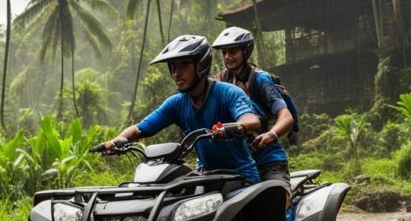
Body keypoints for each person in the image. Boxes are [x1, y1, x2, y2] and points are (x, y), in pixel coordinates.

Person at [102, 35, 263, 184]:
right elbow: (139, 129)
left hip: (242, 179)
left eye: (184, 65)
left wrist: (234, 127)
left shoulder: (228, 93)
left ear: (201, 65)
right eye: (172, 67)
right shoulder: (176, 103)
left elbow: (251, 120)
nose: (177, 73)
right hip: (207, 179)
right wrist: (117, 141)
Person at [211, 26, 293, 187]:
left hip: (268, 158)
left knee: (276, 197)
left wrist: (272, 135)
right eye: (224, 52)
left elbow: (286, 116)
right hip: (237, 161)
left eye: (232, 52)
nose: (227, 57)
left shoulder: (260, 80)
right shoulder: (218, 81)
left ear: (245, 52)